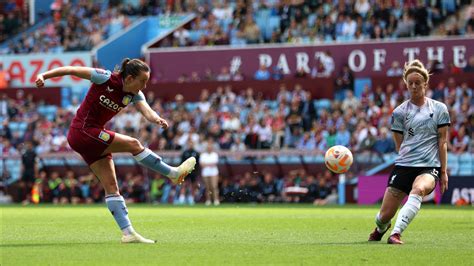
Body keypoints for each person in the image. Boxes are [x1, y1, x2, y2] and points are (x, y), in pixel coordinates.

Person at [35, 58, 196, 244]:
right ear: (129, 78)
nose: (144, 85)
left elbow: (147, 111)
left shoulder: (134, 94)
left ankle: (128, 233)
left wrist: (157, 119)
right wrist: (43, 75)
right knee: (134, 144)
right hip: (83, 131)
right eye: (142, 81)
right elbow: (72, 69)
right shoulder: (104, 78)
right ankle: (173, 173)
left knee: (111, 186)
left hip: (91, 138)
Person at [368, 60, 450, 244]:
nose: (414, 86)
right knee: (383, 215)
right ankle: (382, 228)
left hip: (429, 166)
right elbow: (399, 145)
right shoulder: (398, 113)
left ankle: (395, 233)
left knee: (419, 189)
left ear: (425, 84)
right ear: (406, 84)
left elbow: (442, 141)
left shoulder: (439, 109)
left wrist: (443, 171)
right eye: (410, 83)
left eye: (417, 83)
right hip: (404, 165)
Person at [199, 139, 220, 206]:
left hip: (214, 173)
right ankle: (208, 200)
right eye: (208, 147)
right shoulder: (203, 155)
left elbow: (214, 163)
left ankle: (216, 200)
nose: (209, 148)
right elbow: (202, 164)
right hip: (205, 173)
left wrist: (206, 164)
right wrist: (209, 164)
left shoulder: (214, 154)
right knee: (207, 187)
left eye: (210, 147)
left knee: (214, 186)